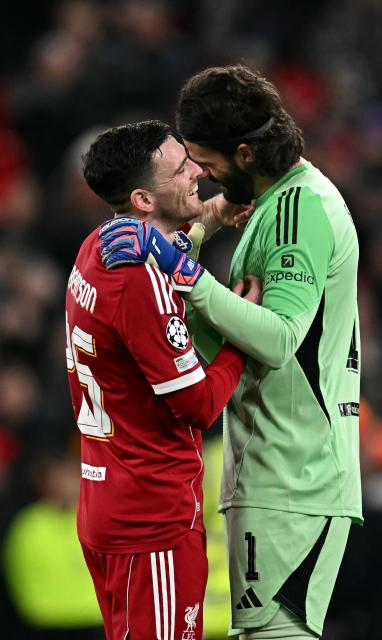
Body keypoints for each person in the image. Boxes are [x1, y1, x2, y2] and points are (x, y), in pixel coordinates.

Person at [100, 64, 363, 639]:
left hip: (297, 479)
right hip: (271, 471)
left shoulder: (298, 213)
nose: (196, 172)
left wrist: (188, 271)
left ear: (244, 152)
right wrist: (198, 235)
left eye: (201, 157)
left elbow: (279, 337)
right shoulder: (271, 205)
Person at [65, 119, 256, 640]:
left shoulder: (97, 248)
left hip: (110, 502)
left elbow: (151, 291)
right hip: (153, 517)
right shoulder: (137, 281)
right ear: (143, 199)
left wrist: (207, 221)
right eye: (182, 168)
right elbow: (198, 405)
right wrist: (243, 333)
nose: (198, 171)